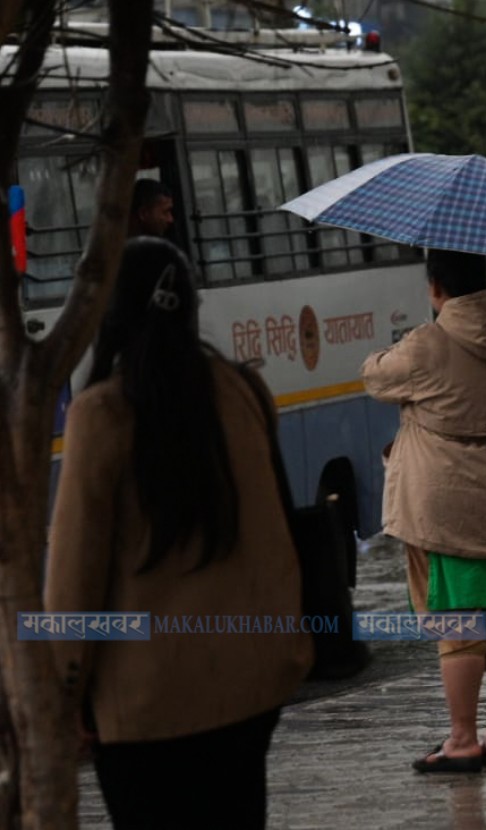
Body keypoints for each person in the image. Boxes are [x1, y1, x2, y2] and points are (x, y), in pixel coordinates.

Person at [44, 237, 313, 829]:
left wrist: (64, 697)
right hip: (250, 688)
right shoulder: (243, 390)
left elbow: (74, 578)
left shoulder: (101, 414)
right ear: (190, 307)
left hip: (144, 707)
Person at [361, 249, 486, 773]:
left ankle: (461, 739)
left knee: (458, 619)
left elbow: (374, 378)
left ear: (436, 288)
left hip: (444, 506)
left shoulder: (426, 346)